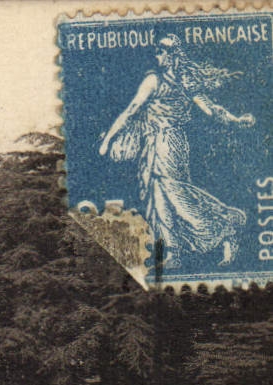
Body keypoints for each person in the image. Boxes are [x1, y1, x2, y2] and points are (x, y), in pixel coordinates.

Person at [99, 35, 256, 266]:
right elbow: (132, 109)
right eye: (157, 51)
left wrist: (236, 120)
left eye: (162, 51)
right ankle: (173, 252)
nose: (157, 55)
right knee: (158, 197)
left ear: (173, 56)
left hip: (167, 144)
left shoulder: (168, 81)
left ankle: (225, 227)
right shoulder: (164, 79)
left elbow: (211, 109)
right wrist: (109, 138)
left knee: (175, 194)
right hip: (158, 143)